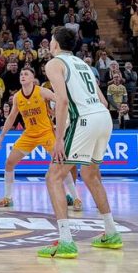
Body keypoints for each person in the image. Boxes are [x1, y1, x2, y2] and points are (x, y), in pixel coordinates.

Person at [38, 27, 121, 259]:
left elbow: (62, 101)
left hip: (84, 119)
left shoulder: (54, 63)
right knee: (91, 175)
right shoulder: (83, 64)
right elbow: (103, 101)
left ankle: (65, 241)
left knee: (53, 176)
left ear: (54, 44)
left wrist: (59, 138)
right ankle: (111, 232)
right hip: (103, 118)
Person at [0, 68, 57, 208]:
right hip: (29, 134)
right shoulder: (17, 97)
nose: (22, 76)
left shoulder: (42, 91)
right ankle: (8, 198)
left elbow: (60, 101)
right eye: (21, 74)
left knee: (60, 162)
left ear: (33, 78)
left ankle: (75, 197)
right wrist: (2, 136)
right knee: (9, 163)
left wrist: (57, 114)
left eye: (26, 74)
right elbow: (11, 117)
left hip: (46, 131)